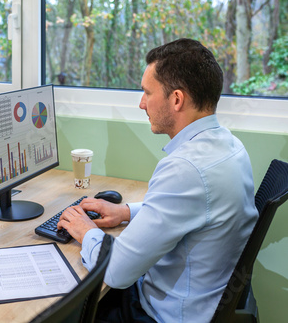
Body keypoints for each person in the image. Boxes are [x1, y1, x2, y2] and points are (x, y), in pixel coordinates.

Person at [57, 38, 258, 323]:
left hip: (163, 315)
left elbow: (115, 272)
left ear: (176, 99)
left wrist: (84, 228)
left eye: (147, 93)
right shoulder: (230, 146)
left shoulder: (185, 168)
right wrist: (126, 212)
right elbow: (193, 209)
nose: (141, 104)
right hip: (206, 300)